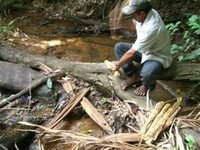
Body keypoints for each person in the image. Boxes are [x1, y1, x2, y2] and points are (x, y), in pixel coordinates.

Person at [112, 0, 173, 96]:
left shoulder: (152, 27)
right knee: (119, 47)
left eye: (133, 14)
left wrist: (118, 65)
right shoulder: (146, 13)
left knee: (147, 74)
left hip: (157, 55)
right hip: (146, 50)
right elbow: (133, 28)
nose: (132, 16)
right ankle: (134, 76)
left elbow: (131, 53)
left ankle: (146, 86)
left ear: (142, 13)